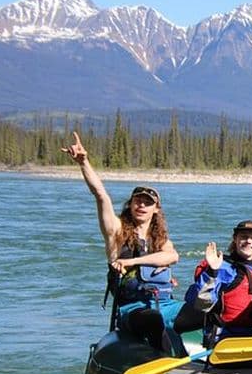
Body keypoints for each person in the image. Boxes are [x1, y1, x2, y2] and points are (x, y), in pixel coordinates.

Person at [61, 131, 201, 355]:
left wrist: (133, 262)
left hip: (167, 305)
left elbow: (172, 256)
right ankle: (164, 360)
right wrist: (84, 162)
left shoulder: (161, 239)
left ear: (156, 209)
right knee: (152, 319)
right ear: (131, 204)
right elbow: (101, 195)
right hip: (132, 309)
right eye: (138, 201)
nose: (142, 206)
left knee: (207, 313)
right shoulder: (115, 231)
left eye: (148, 203)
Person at [185, 220, 252, 348]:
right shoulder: (221, 266)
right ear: (235, 239)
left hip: (246, 335)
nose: (248, 241)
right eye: (244, 237)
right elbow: (201, 305)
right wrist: (212, 273)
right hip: (221, 337)